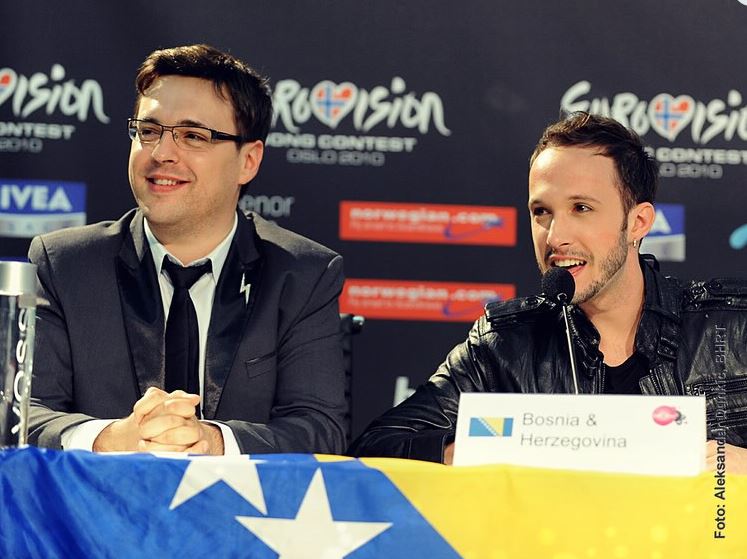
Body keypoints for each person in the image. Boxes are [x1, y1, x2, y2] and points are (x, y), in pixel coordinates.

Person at [348, 112, 747, 472]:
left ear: (638, 222)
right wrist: (491, 449)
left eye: (581, 208)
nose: (555, 236)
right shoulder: (505, 345)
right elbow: (376, 449)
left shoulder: (734, 327)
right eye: (542, 212)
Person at [28, 44, 346, 455]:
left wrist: (211, 441)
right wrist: (110, 439)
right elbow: (25, 414)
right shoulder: (64, 265)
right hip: (98, 497)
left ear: (248, 161)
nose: (161, 153)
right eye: (148, 131)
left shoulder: (303, 274)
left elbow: (319, 429)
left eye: (193, 136)